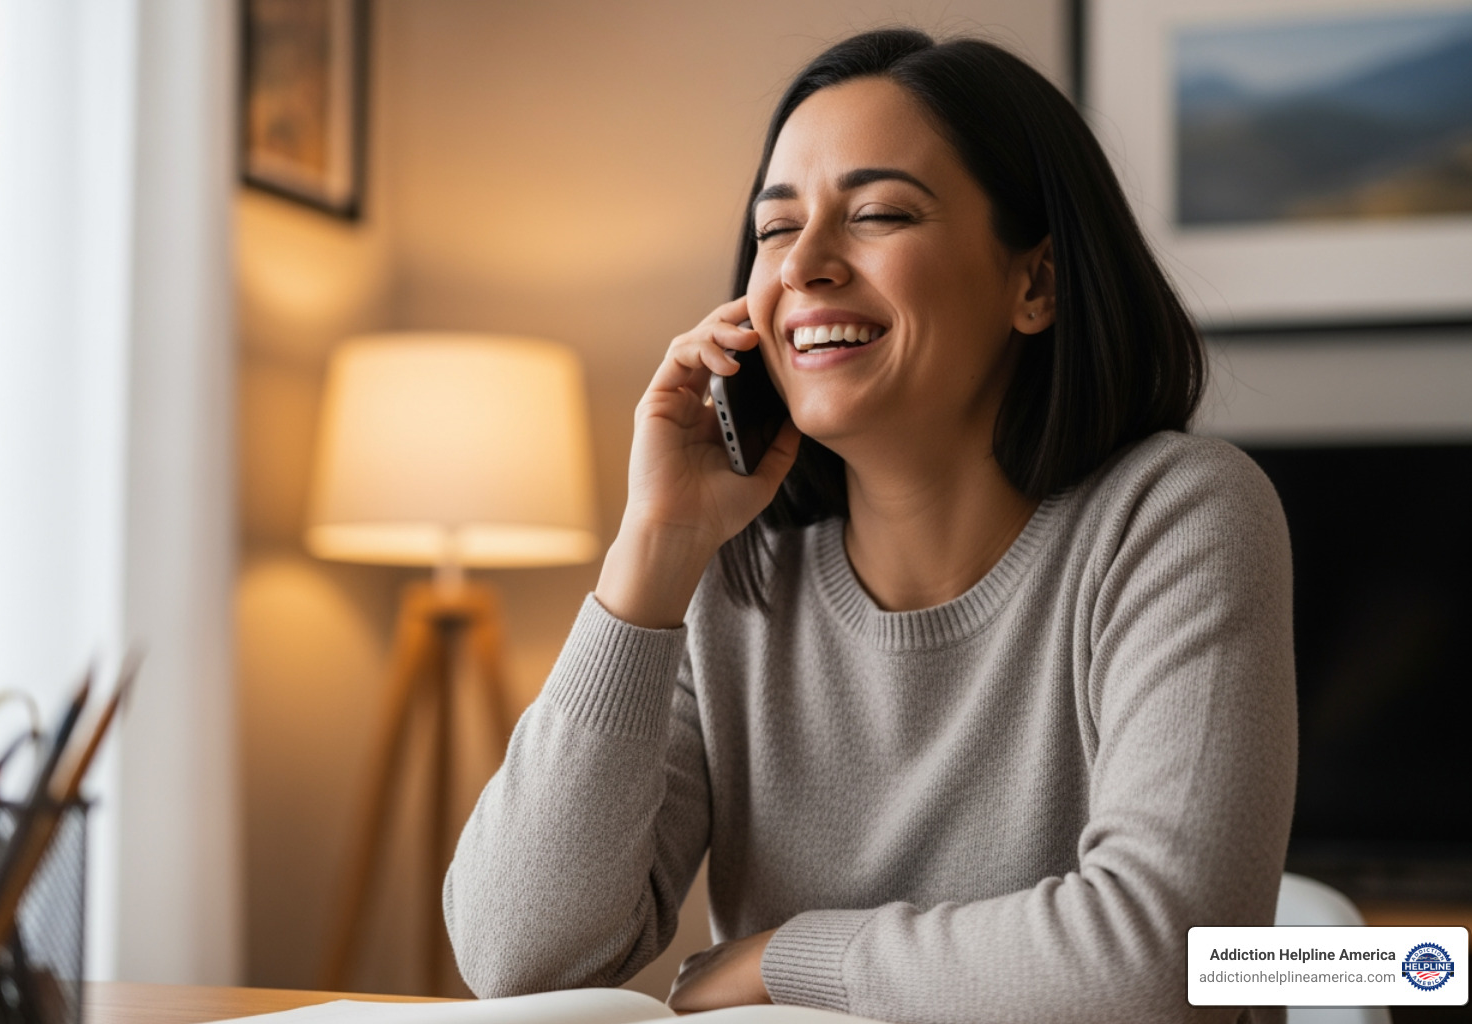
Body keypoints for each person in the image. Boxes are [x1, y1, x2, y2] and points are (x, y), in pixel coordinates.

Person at [445, 28, 1296, 1024]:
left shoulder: (1178, 516)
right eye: (773, 230)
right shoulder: (732, 573)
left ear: (1037, 284)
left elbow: (1166, 965)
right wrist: (652, 551)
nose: (803, 265)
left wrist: (784, 959)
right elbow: (515, 954)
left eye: (880, 213)